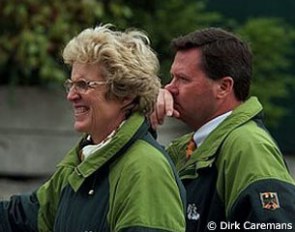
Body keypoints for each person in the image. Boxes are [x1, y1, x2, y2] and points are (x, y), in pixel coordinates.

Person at [0, 24, 186, 232]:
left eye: (84, 85)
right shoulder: (83, 161)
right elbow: (22, 218)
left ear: (126, 94)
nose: (71, 96)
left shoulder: (145, 168)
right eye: (71, 84)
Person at [150, 27, 295, 231]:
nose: (169, 88)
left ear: (224, 87)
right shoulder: (191, 146)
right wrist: (144, 120)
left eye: (182, 79)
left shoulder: (248, 146)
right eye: (172, 78)